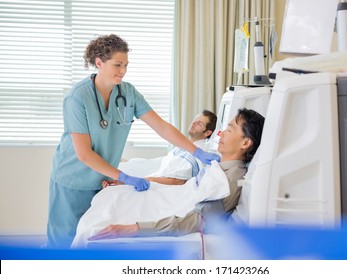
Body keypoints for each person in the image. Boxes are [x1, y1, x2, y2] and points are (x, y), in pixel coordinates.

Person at [46, 34, 220, 249]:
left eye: (126, 65)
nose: (123, 71)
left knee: (88, 240)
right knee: (62, 244)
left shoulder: (127, 93)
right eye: (117, 65)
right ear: (99, 63)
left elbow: (161, 127)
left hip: (101, 178)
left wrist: (196, 152)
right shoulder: (78, 98)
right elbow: (84, 154)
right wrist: (123, 176)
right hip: (72, 179)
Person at [86, 108, 265, 241]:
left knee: (97, 224)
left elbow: (196, 221)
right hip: (170, 197)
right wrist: (128, 183)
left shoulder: (229, 181)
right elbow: (188, 187)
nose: (221, 133)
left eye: (230, 129)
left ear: (245, 143)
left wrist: (136, 228)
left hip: (172, 208)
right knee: (113, 197)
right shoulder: (218, 165)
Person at [105, 109, 217, 187]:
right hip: (155, 170)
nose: (193, 123)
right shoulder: (183, 145)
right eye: (194, 120)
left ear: (207, 132)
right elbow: (164, 163)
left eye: (199, 124)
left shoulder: (199, 154)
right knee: (119, 163)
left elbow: (177, 181)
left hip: (157, 181)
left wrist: (129, 182)